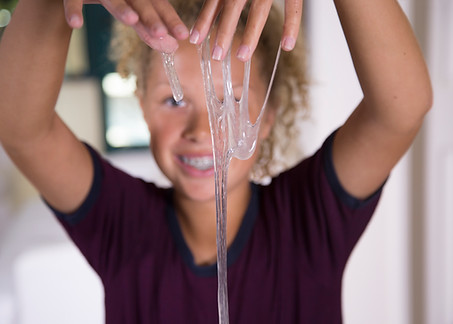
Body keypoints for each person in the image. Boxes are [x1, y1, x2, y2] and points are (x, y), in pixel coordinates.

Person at [0, 0, 432, 323]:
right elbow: (20, 127)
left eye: (233, 101)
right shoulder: (121, 223)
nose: (202, 132)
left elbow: (401, 109)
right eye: (173, 99)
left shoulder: (309, 219)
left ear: (268, 116)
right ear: (141, 108)